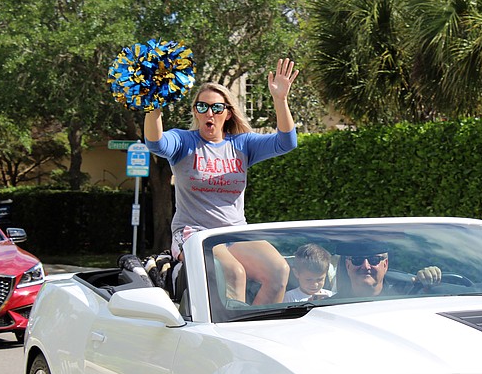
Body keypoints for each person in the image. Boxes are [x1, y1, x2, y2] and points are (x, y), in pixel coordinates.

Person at [144, 58, 299, 305]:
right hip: (193, 233)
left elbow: (286, 142)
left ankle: (254, 329)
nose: (210, 113)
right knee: (233, 273)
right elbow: (156, 142)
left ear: (227, 113)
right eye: (202, 107)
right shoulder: (184, 142)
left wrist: (280, 100)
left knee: (279, 271)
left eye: (217, 108)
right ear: (195, 111)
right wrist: (154, 108)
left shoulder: (242, 144)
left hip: (233, 231)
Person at [333, 242, 443, 298]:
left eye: (374, 260)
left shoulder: (406, 295)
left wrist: (430, 281)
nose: (365, 266)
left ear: (385, 265)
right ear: (347, 265)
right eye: (357, 260)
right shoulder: (331, 307)